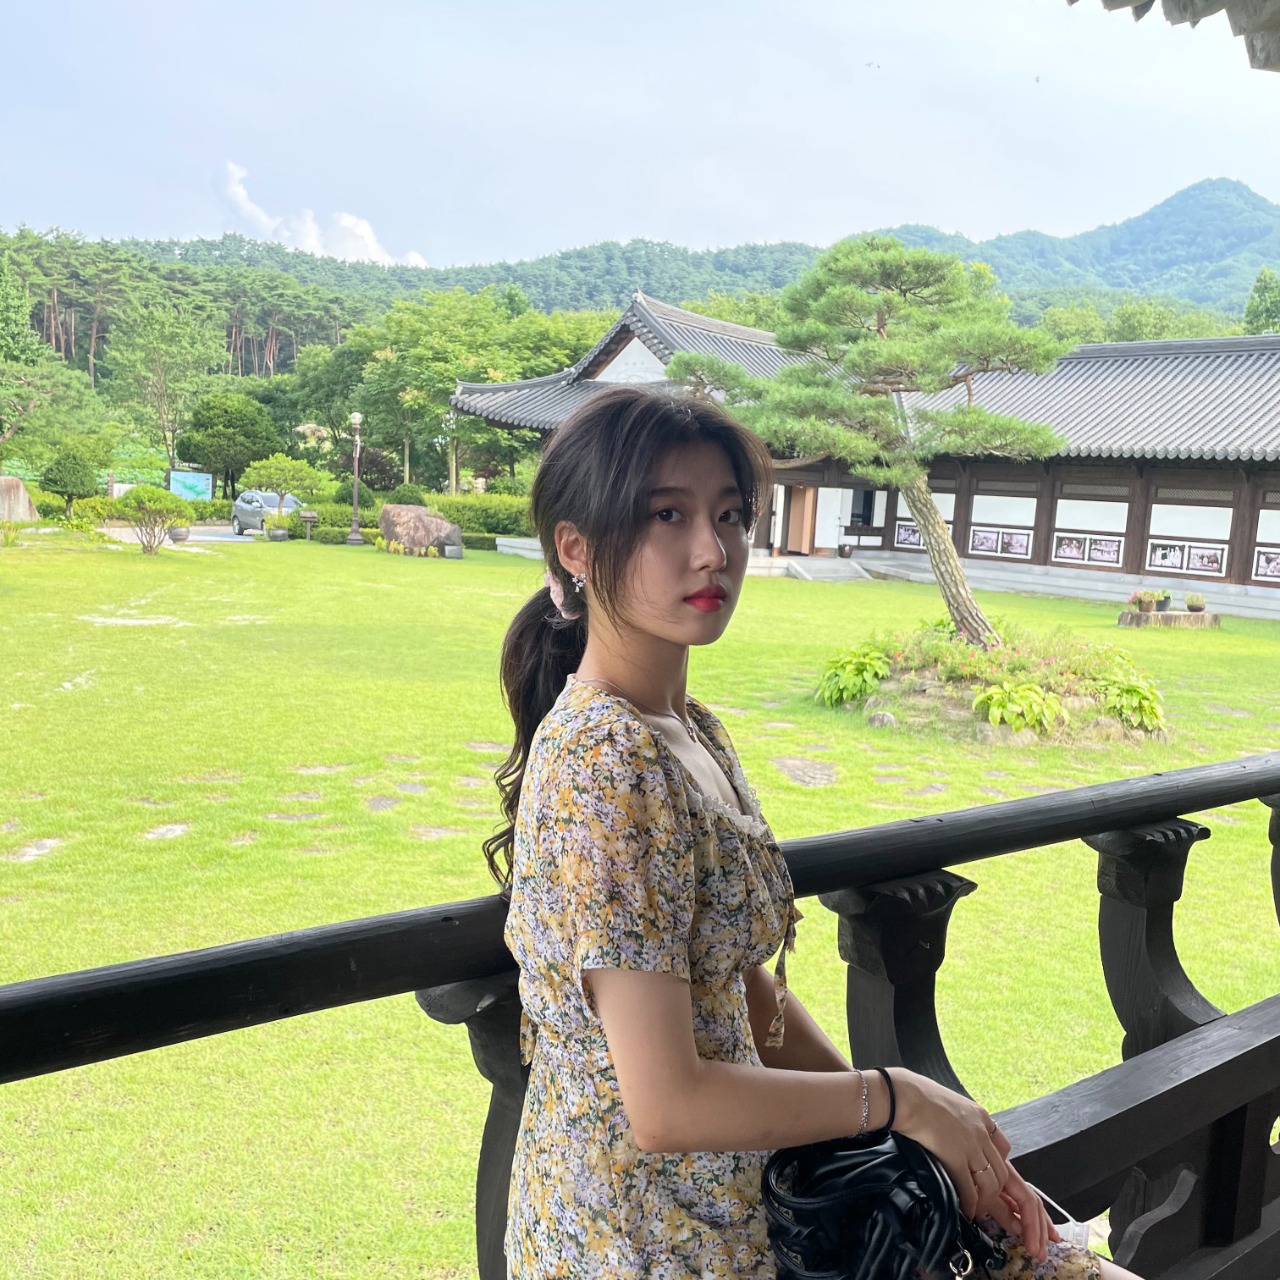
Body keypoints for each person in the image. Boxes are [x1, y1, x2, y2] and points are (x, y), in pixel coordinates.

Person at [487, 385, 1135, 1279]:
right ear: (576, 548)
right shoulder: (605, 761)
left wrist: (915, 1129)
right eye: (667, 515)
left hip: (756, 1206)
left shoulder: (688, 731)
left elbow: (740, 986)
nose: (712, 550)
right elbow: (665, 1104)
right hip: (641, 1241)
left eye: (730, 515)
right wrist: (896, 1099)